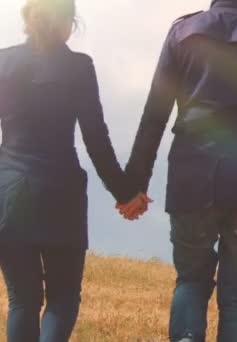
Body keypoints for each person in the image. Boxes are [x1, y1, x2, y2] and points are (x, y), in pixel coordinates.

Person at [118, 0, 237, 340]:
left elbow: (155, 114)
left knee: (191, 282)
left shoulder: (182, 32)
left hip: (191, 177)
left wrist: (135, 185)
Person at [0, 0, 148, 341]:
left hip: (10, 193)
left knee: (22, 299)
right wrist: (126, 193)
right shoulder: (78, 68)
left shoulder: (5, 62)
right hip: (61, 195)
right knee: (63, 298)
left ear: (27, 20)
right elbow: (96, 138)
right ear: (68, 24)